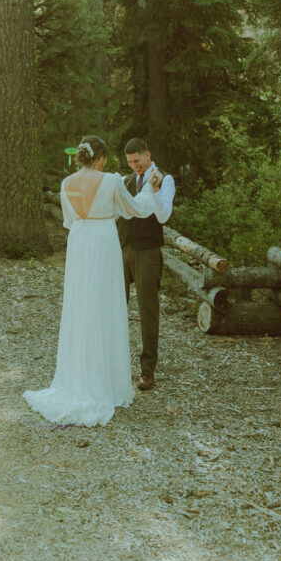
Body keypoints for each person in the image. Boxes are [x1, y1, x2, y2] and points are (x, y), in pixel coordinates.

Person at [23, 135, 167, 427]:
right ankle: (104, 383)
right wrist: (151, 189)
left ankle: (78, 378)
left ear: (81, 156)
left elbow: (67, 220)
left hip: (79, 242)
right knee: (104, 305)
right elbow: (136, 210)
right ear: (100, 157)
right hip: (102, 242)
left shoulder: (66, 185)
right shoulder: (112, 179)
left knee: (80, 306)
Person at [117, 138, 175, 391]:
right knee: (117, 306)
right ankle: (115, 366)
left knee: (147, 310)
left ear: (148, 155)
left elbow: (163, 216)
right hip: (122, 249)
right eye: (129, 162)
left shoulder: (166, 179)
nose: (134, 166)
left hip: (148, 252)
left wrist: (153, 190)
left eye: (137, 161)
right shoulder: (124, 181)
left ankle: (147, 369)